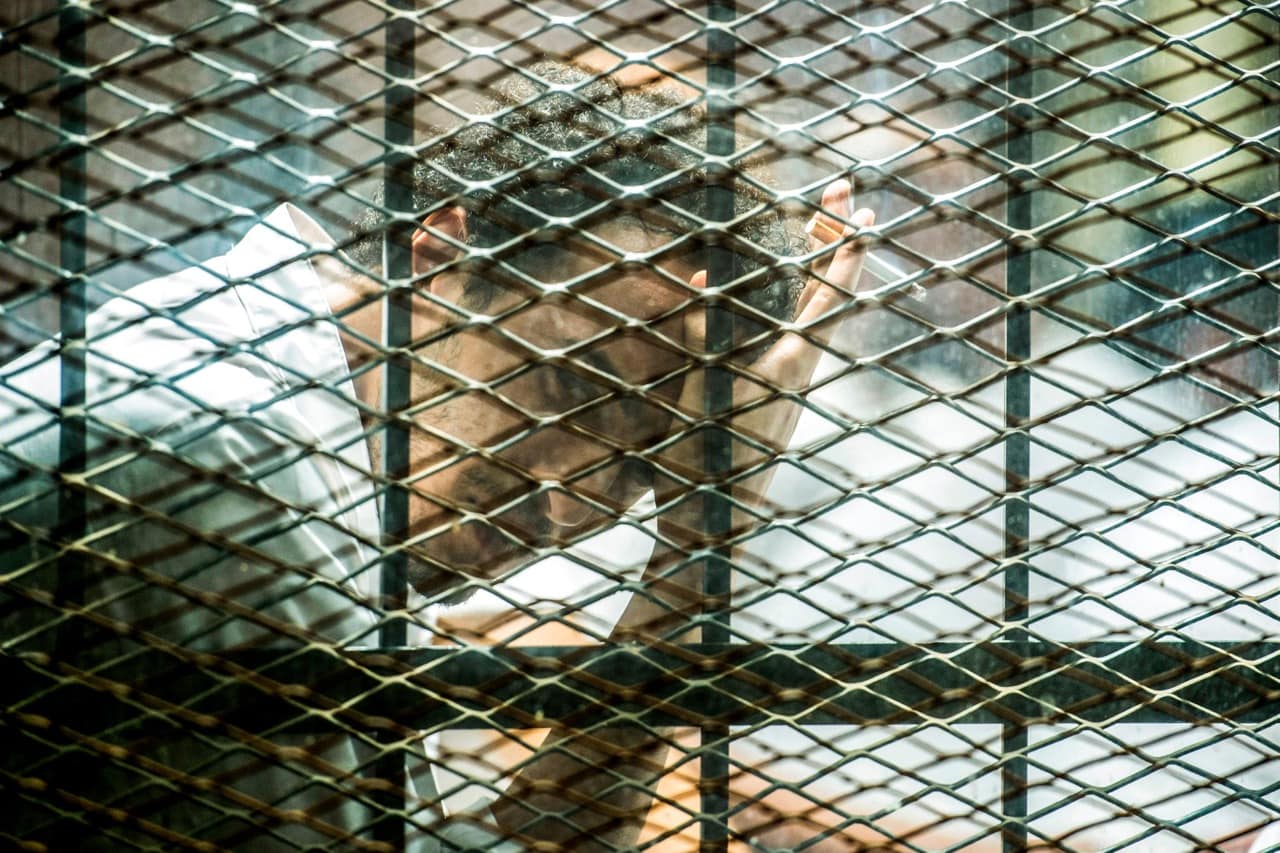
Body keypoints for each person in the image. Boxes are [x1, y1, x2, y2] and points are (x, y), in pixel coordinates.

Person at [0, 59, 873, 850]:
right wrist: (691, 565)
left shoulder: (313, 423)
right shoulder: (233, 463)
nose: (572, 502)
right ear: (440, 251)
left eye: (646, 466)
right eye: (572, 385)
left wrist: (696, 533)